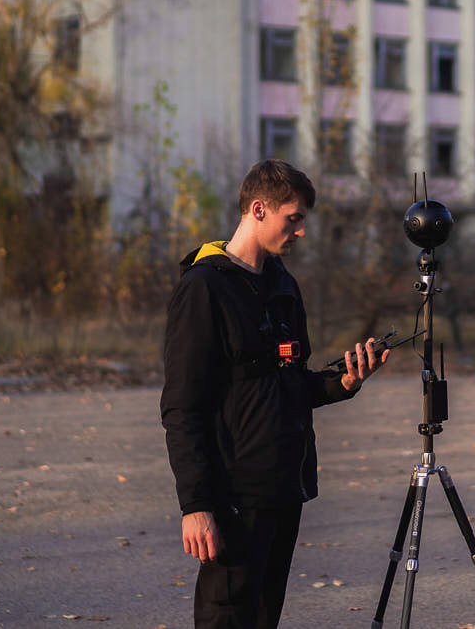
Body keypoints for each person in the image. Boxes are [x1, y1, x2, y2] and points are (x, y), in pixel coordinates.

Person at [160, 159, 389, 628]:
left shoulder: (282, 284)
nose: (301, 231)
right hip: (233, 497)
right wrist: (196, 504)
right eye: (294, 218)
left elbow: (289, 382)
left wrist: (344, 382)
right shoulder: (204, 287)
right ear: (259, 209)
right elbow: (182, 407)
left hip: (283, 490)